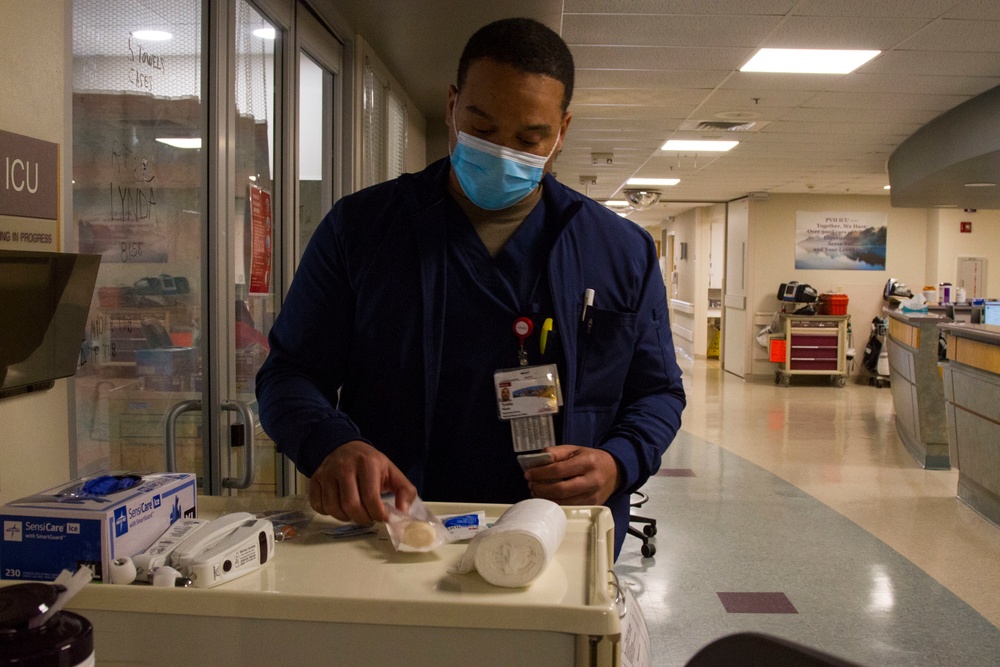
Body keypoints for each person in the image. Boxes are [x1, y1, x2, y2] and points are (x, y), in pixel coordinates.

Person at [256, 17, 685, 559]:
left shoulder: (619, 251)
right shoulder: (362, 230)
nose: (504, 152)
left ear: (562, 131)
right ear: (452, 105)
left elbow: (658, 392)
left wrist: (619, 460)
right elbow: (289, 373)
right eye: (481, 129)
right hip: (396, 534)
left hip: (559, 540)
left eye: (530, 138)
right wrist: (331, 443)